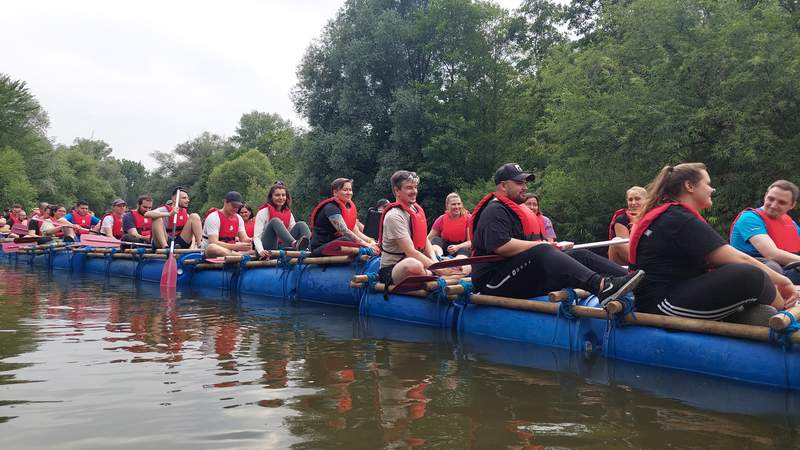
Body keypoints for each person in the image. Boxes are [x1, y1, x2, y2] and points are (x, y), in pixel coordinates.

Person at [630, 164, 797, 321]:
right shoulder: (678, 219)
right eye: (708, 184)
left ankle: (752, 314)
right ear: (690, 186)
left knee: (767, 269)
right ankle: (784, 312)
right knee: (753, 275)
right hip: (661, 305)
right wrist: (785, 282)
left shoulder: (673, 215)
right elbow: (742, 259)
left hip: (675, 292)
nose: (712, 189)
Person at [471, 163, 643, 303]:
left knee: (579, 255)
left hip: (517, 276)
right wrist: (544, 245)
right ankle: (602, 286)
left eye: (525, 183)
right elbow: (502, 246)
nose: (524, 187)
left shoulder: (515, 210)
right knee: (542, 250)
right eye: (519, 183)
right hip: (493, 283)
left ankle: (639, 283)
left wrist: (551, 246)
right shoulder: (495, 210)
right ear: (503, 185)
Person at [378, 171, 461, 284]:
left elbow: (424, 239)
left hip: (419, 262)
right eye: (409, 188)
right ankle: (432, 274)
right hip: (394, 268)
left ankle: (430, 273)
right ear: (397, 190)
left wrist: (435, 261)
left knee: (463, 264)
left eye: (415, 187)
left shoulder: (415, 210)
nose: (414, 191)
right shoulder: (394, 216)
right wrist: (439, 269)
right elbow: (411, 252)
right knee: (413, 265)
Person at [730, 180, 800, 284]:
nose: (773, 205)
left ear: (792, 205)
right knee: (773, 267)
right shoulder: (749, 218)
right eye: (771, 199)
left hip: (785, 270)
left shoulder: (791, 224)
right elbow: (771, 254)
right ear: (765, 196)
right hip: (756, 270)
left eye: (782, 202)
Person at [309, 178, 378, 256]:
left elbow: (356, 232)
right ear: (335, 192)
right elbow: (344, 231)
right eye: (345, 190)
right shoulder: (331, 208)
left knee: (352, 239)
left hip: (337, 244)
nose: (349, 193)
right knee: (347, 239)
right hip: (321, 247)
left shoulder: (348, 208)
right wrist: (366, 245)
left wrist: (371, 242)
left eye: (350, 190)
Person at [252, 182, 312, 258]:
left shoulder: (288, 213)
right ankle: (294, 244)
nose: (281, 198)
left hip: (282, 247)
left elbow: (293, 230)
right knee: (275, 221)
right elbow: (256, 236)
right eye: (277, 195)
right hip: (266, 249)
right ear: (271, 197)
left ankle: (310, 249)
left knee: (301, 224)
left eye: (283, 195)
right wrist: (260, 250)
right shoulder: (263, 212)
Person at [201, 191, 252, 258]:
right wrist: (236, 246)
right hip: (211, 253)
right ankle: (242, 257)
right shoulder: (214, 217)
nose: (236, 209)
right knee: (212, 247)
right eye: (233, 205)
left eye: (238, 207)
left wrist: (253, 241)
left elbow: (244, 239)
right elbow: (213, 242)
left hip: (231, 251)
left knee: (255, 248)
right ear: (225, 202)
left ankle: (239, 257)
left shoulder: (238, 218)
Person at [607, 186, 647, 265]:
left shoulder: (654, 216)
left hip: (649, 253)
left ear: (646, 200)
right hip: (632, 257)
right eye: (630, 200)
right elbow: (628, 245)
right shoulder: (622, 219)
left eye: (637, 199)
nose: (633, 203)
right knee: (616, 241)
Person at [428, 192, 472, 257]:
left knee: (464, 249)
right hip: (445, 249)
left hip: (461, 248)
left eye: (459, 204)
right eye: (453, 204)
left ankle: (458, 262)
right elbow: (429, 239)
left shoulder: (468, 218)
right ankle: (438, 257)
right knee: (436, 239)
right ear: (447, 206)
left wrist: (457, 247)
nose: (457, 207)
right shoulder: (441, 219)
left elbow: (471, 242)